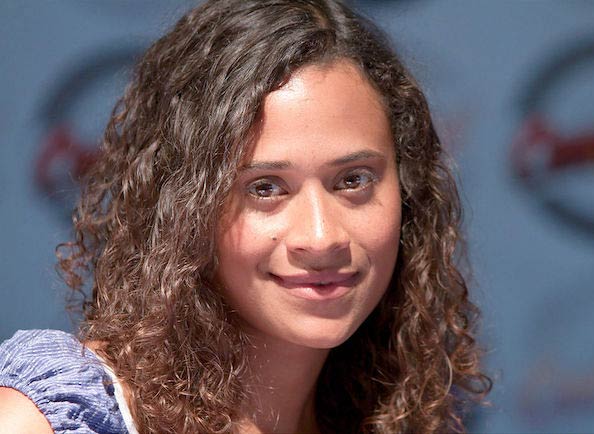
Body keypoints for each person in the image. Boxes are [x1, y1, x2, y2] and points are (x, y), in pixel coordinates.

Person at [0, 0, 491, 433]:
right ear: (183, 209)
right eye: (266, 189)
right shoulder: (59, 418)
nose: (321, 237)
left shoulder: (399, 418)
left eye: (353, 180)